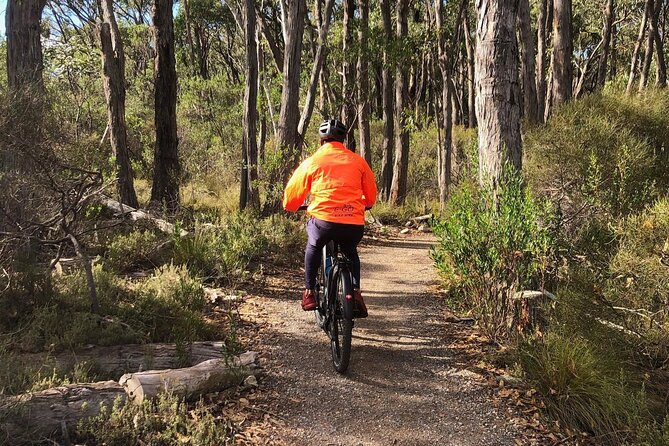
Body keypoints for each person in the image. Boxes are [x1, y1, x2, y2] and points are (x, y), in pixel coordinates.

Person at [283, 119, 377, 318]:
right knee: (351, 251)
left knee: (314, 246)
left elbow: (292, 194)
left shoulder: (312, 162)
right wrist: (366, 204)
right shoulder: (358, 161)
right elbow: (371, 196)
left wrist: (291, 207)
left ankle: (309, 292)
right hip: (353, 224)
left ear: (321, 141)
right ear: (343, 141)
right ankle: (356, 292)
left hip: (324, 222)